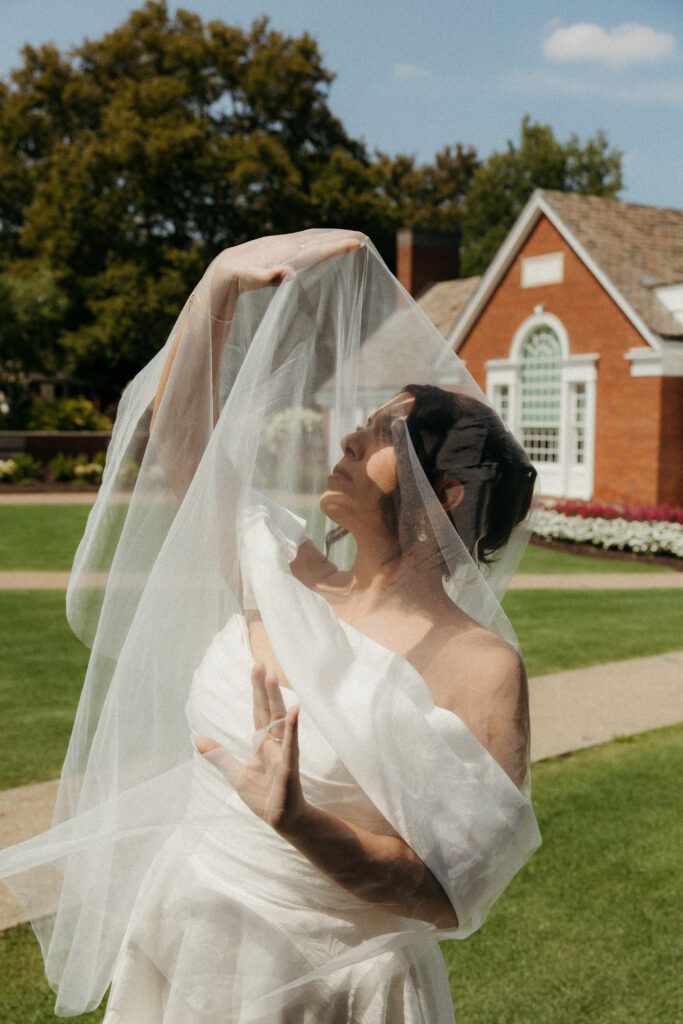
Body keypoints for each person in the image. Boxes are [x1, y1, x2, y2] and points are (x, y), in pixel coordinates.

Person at [0, 230, 540, 1022]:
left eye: (383, 435)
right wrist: (217, 284)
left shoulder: (482, 668)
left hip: (330, 984)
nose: (349, 439)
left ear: (446, 494)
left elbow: (448, 891)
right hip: (188, 931)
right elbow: (178, 435)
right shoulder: (280, 568)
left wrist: (299, 822)